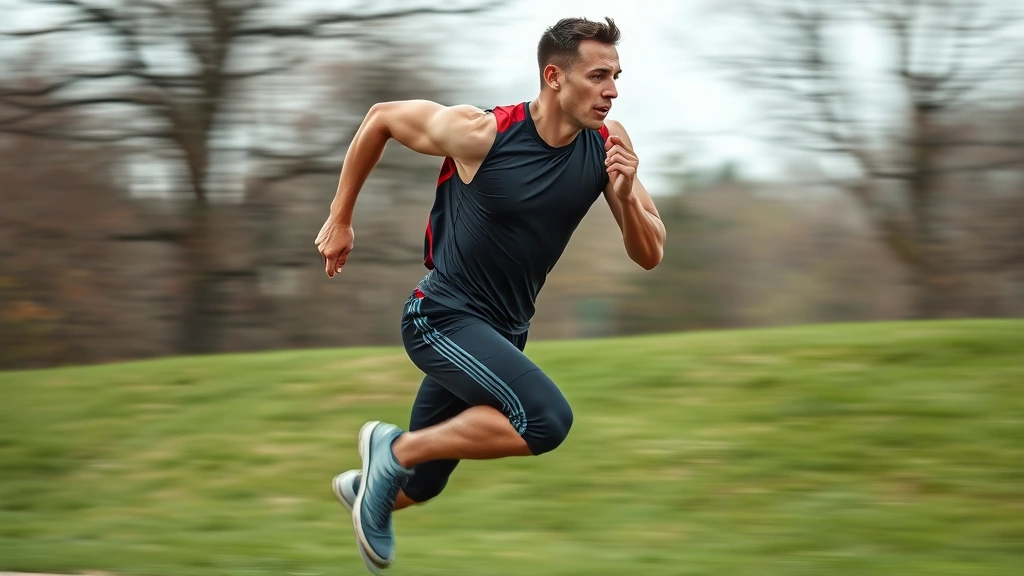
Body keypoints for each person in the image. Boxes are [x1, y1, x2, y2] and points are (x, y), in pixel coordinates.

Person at [314, 16, 665, 574]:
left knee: (423, 486)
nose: (612, 91)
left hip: (501, 334)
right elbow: (380, 118)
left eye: (616, 77)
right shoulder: (482, 134)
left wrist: (622, 196)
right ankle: (391, 450)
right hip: (441, 318)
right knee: (545, 420)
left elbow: (650, 252)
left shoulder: (608, 146)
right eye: (599, 76)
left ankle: (375, 479)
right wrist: (340, 220)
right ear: (554, 76)